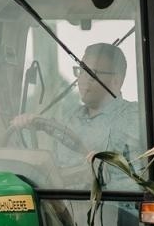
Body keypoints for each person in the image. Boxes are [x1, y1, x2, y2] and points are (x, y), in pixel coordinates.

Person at [10, 42, 142, 173]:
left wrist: (104, 167)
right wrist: (28, 124)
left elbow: (136, 177)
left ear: (116, 81)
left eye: (91, 73)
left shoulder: (136, 119)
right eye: (81, 71)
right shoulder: (70, 118)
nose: (82, 79)